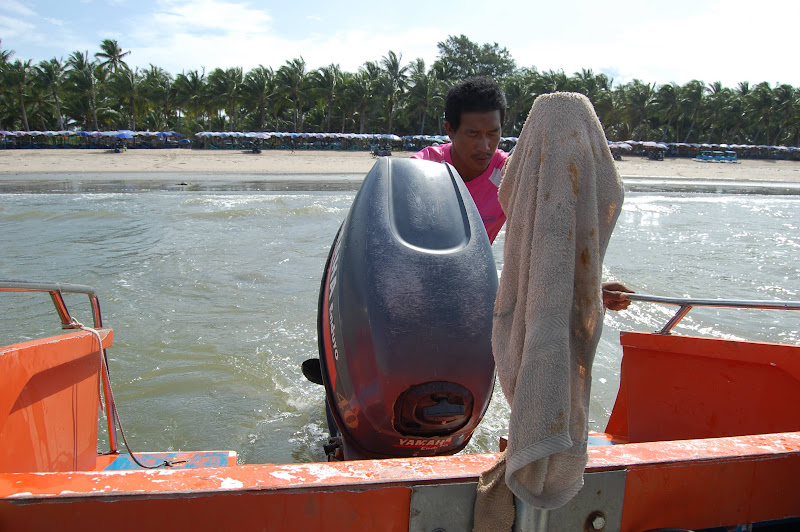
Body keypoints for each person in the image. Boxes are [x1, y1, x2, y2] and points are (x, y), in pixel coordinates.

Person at [411, 77, 632, 311]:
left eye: (493, 134)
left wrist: (588, 288)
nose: (485, 146)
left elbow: (548, 235)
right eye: (473, 134)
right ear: (450, 130)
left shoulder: (510, 174)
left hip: (472, 284)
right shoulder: (422, 168)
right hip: (418, 284)